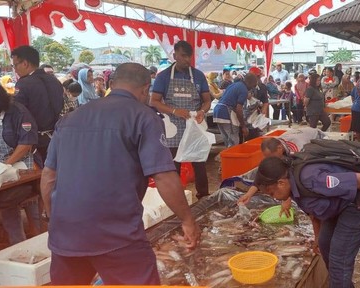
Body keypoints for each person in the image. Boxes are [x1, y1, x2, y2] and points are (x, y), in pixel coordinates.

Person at [41, 63, 201, 285]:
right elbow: (164, 176)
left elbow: (49, 176)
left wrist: (56, 217)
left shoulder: (71, 118)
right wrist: (187, 219)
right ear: (145, 89)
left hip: (65, 234)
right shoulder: (143, 116)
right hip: (116, 233)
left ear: (111, 84)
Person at [253, 156, 360, 288]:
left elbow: (357, 180)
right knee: (325, 244)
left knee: (339, 257)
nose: (274, 198)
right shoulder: (294, 188)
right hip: (341, 205)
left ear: (281, 182)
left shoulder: (310, 179)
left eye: (272, 193)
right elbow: (314, 214)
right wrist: (317, 237)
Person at [0, 82, 41, 244]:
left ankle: (36, 234)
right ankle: (16, 242)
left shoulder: (18, 112)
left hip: (24, 161)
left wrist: (6, 164)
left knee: (21, 196)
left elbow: (26, 144)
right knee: (3, 197)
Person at [150, 40, 212, 199]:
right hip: (174, 128)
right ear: (174, 55)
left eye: (189, 57)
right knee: (173, 166)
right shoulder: (163, 77)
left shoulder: (198, 75)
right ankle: (175, 199)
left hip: (194, 126)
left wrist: (202, 112)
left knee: (199, 164)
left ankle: (203, 196)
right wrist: (174, 110)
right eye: (183, 56)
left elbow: (207, 100)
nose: (187, 60)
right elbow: (154, 101)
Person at [11, 45, 64, 162]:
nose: (15, 69)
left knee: (39, 174)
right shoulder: (54, 80)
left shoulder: (23, 83)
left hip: (35, 140)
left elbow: (19, 112)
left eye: (15, 65)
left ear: (25, 63)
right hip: (56, 135)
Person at [212, 73, 258, 147]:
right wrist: (243, 126)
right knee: (233, 140)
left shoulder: (235, 84)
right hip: (226, 112)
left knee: (227, 140)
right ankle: (233, 157)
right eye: (254, 85)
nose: (253, 88)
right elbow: (239, 109)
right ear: (250, 83)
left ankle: (227, 156)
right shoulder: (243, 89)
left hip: (217, 111)